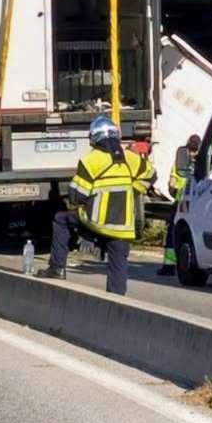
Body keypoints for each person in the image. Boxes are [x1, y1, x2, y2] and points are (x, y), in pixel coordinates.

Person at [45, 115, 152, 295]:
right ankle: (116, 300)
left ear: (94, 138)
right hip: (123, 227)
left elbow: (76, 196)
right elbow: (150, 176)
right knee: (118, 266)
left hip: (95, 222)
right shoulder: (131, 158)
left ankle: (57, 269)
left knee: (61, 220)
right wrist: (131, 192)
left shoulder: (90, 160)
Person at [159, 134, 203, 276]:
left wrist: (175, 193)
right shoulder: (204, 163)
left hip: (181, 202)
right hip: (199, 202)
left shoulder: (180, 162)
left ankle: (169, 265)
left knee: (173, 234)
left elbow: (172, 184)